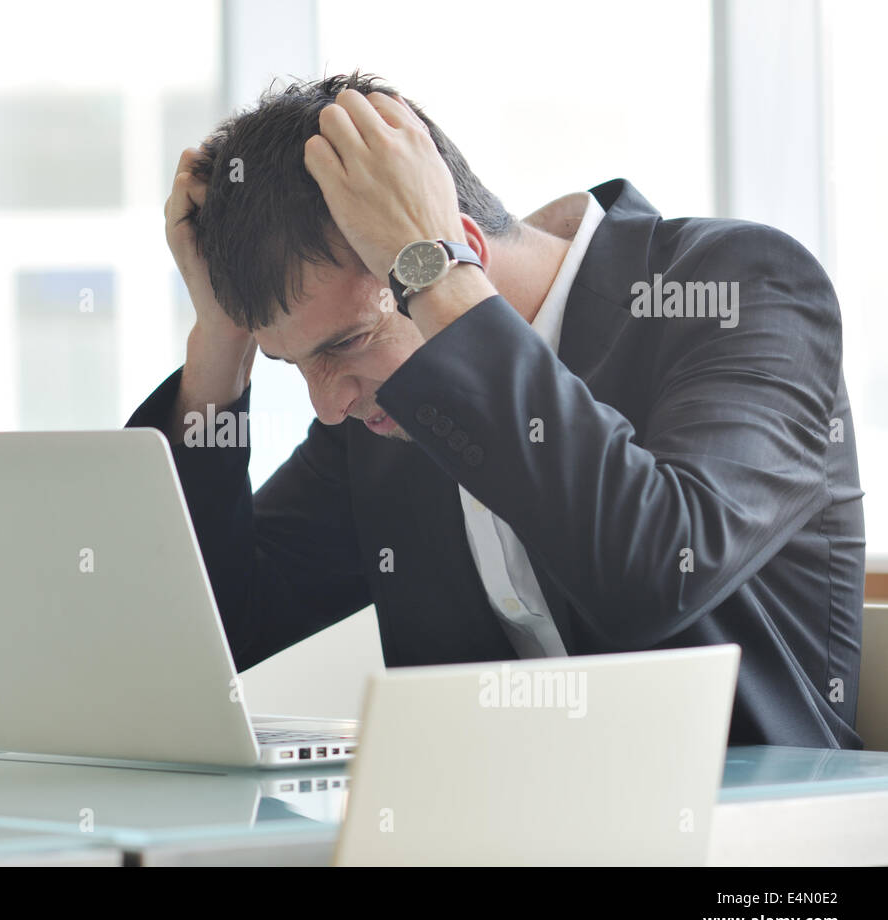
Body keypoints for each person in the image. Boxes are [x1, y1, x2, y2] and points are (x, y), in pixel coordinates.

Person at [126, 72, 864, 748]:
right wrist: (218, 348)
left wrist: (438, 278)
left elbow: (655, 568)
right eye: (297, 365)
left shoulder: (739, 289)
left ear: (458, 248)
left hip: (745, 837)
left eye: (347, 342)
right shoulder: (381, 412)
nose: (328, 405)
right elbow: (211, 634)